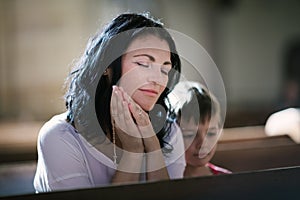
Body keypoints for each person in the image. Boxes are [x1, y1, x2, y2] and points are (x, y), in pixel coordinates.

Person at [34, 12, 185, 192]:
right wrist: (133, 152)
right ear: (107, 65)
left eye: (164, 70)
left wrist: (152, 145)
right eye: (143, 63)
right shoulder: (60, 136)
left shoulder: (170, 133)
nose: (158, 80)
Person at [169, 81, 231, 177]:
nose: (202, 144)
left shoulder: (227, 180)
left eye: (211, 133)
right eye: (189, 135)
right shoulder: (163, 178)